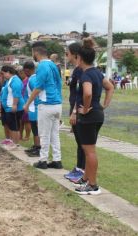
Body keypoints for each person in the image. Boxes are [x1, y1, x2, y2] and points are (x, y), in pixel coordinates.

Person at [74, 38, 114, 195]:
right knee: (88, 149)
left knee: (90, 151)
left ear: (80, 58)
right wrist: (104, 104)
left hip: (89, 116)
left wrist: (84, 109)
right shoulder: (97, 72)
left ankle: (93, 185)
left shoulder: (86, 75)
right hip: (97, 114)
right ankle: (86, 179)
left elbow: (88, 93)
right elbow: (110, 87)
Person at [24, 41, 63, 169]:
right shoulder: (53, 65)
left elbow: (38, 87)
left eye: (32, 53)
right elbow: (59, 84)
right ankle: (57, 160)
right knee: (54, 134)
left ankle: (43, 160)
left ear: (36, 52)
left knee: (44, 134)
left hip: (46, 104)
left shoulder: (41, 66)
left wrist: (27, 103)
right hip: (57, 104)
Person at [62, 42, 86, 182]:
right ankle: (78, 168)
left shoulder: (80, 70)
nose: (66, 56)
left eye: (67, 53)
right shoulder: (76, 70)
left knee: (82, 142)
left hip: (78, 109)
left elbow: (81, 92)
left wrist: (75, 111)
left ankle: (81, 170)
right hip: (74, 107)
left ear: (75, 54)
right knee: (79, 141)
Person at [0, 65, 25, 150]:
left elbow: (16, 93)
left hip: (15, 107)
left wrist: (14, 105)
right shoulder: (10, 80)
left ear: (8, 72)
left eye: (3, 73)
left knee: (15, 127)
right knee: (12, 126)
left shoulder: (15, 80)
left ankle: (15, 144)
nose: (2, 75)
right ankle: (12, 142)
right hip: (9, 107)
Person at [23, 61, 41, 157]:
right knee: (34, 128)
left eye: (25, 71)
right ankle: (36, 146)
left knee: (36, 128)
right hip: (32, 107)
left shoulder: (33, 79)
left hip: (35, 107)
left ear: (27, 70)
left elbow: (37, 92)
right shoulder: (32, 78)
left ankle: (38, 148)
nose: (24, 73)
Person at [18, 69, 31, 141]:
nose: (20, 75)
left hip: (27, 102)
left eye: (21, 73)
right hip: (21, 102)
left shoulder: (28, 81)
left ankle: (27, 136)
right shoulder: (22, 81)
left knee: (27, 121)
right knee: (21, 121)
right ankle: (20, 135)